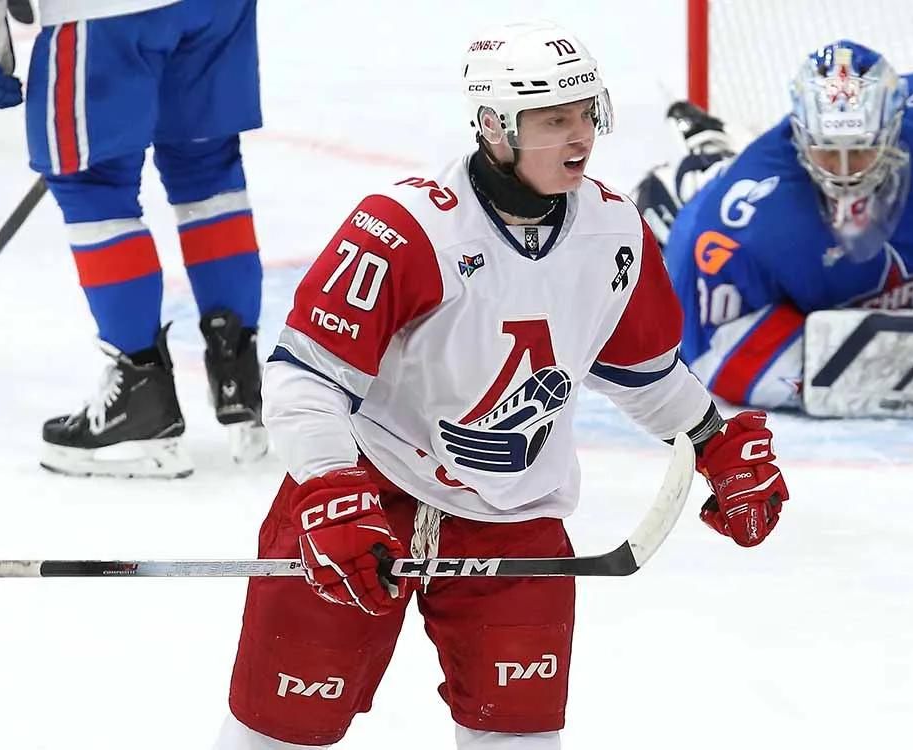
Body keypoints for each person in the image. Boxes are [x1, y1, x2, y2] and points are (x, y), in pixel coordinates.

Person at [212, 21, 790, 750]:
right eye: (553, 120)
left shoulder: (615, 232)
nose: (579, 137)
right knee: (278, 735)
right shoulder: (405, 229)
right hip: (368, 499)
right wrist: (329, 488)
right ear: (493, 125)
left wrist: (712, 440)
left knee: (518, 739)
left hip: (515, 518)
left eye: (586, 113)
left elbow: (644, 374)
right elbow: (306, 376)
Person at [635, 39, 913, 413]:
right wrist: (899, 366)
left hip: (870, 274)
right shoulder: (731, 222)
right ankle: (704, 155)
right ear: (799, 137)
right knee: (674, 206)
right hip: (739, 227)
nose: (845, 173)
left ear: (894, 127)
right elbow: (715, 354)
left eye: (861, 149)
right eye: (827, 151)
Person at [0, 0, 268, 477]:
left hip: (106, 11)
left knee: (92, 182)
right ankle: (239, 376)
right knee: (206, 165)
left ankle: (140, 398)